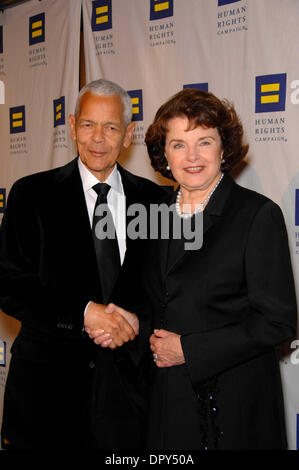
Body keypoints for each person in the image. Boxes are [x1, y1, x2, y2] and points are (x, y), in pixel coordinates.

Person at [91, 88, 297, 450]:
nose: (192, 157)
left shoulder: (256, 216)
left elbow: (277, 321)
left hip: (233, 409)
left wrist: (190, 350)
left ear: (224, 148)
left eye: (204, 141)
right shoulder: (154, 215)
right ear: (164, 154)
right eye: (178, 144)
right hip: (165, 404)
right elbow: (161, 301)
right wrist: (135, 324)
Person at [0, 78, 165, 450]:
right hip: (46, 400)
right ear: (72, 126)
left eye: (111, 127)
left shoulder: (156, 200)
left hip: (130, 402)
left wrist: (137, 320)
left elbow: (169, 289)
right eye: (88, 125)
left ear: (128, 135)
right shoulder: (32, 194)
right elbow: (10, 284)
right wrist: (84, 314)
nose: (97, 138)